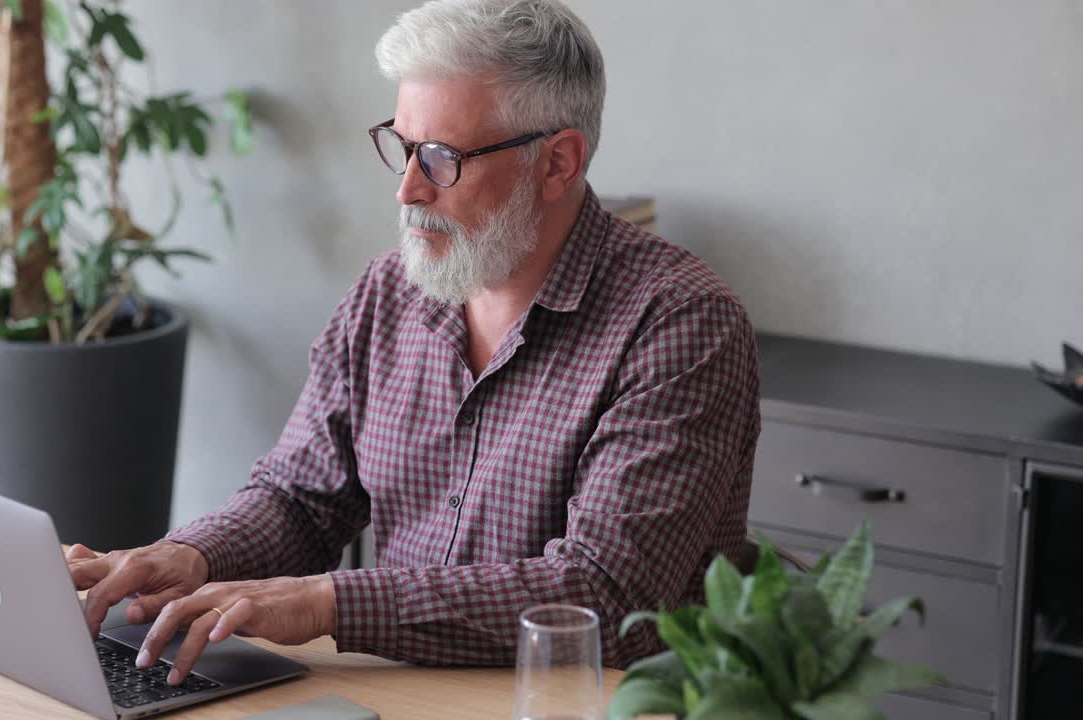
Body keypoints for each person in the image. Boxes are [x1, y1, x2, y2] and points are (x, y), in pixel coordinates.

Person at [66, 0, 760, 684]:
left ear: (558, 163)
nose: (407, 189)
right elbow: (303, 497)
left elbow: (608, 596)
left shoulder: (679, 324)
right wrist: (191, 555)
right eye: (402, 146)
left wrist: (325, 603)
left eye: (440, 157)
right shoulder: (388, 292)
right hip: (394, 687)